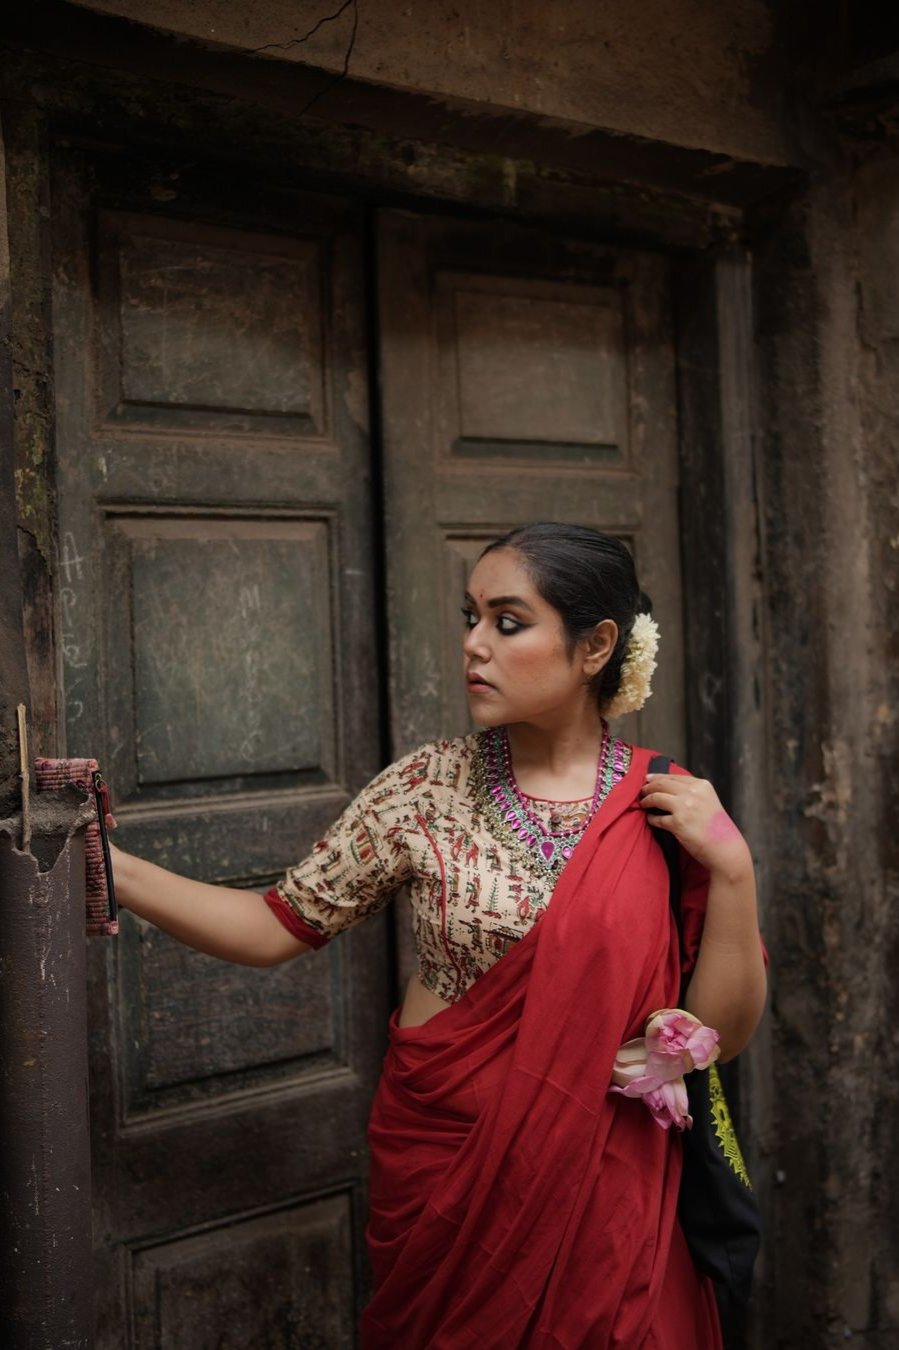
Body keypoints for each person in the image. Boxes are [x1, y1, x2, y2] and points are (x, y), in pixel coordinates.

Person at [111, 522, 767, 1349]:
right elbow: (273, 925)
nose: (474, 647)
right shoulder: (425, 789)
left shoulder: (670, 807)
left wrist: (733, 870)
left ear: (595, 645)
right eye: (470, 618)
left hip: (603, 1189)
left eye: (508, 621)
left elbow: (720, 1037)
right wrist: (112, 868)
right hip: (450, 1172)